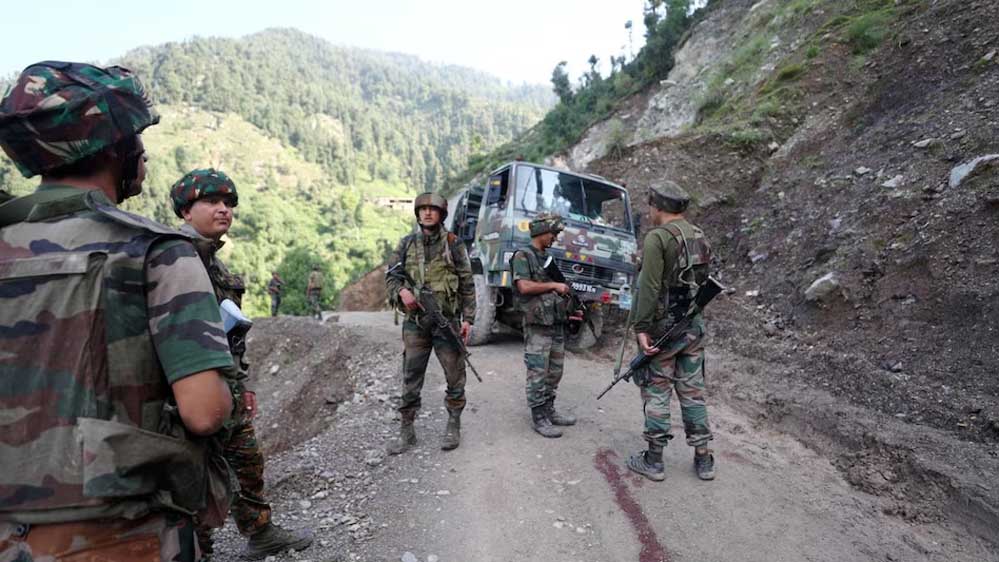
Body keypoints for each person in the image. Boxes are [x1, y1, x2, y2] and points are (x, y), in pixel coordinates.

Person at [0, 61, 234, 561]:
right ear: (114, 148)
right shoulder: (156, 251)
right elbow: (204, 412)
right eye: (136, 140)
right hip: (119, 533)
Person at [170, 169, 314, 560]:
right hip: (188, 392)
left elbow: (231, 335)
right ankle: (195, 550)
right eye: (211, 202)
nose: (223, 210)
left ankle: (260, 532)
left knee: (247, 461)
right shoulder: (171, 262)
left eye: (228, 203)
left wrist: (242, 383)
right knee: (194, 476)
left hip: (226, 386)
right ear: (185, 210)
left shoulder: (215, 267)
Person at [627, 180, 715, 482]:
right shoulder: (699, 235)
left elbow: (649, 288)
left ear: (658, 206)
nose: (649, 212)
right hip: (692, 327)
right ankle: (703, 458)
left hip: (663, 329)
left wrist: (641, 328)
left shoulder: (658, 238)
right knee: (693, 392)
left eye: (650, 206)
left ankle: (654, 460)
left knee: (657, 390)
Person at [384, 192, 475, 453]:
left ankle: (453, 424)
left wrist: (468, 319)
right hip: (416, 323)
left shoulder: (454, 244)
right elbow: (391, 277)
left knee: (455, 376)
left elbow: (467, 283)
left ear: (441, 214)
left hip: (447, 322)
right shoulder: (406, 244)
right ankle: (407, 430)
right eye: (422, 209)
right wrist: (401, 291)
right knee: (410, 376)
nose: (427, 213)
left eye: (432, 209)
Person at [510, 213, 583, 438]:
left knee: (555, 371)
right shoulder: (523, 255)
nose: (555, 238)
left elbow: (558, 292)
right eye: (553, 233)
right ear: (541, 231)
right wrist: (554, 285)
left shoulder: (547, 258)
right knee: (537, 371)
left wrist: (573, 307)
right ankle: (539, 416)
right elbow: (523, 287)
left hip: (555, 323)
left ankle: (549, 409)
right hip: (537, 324)